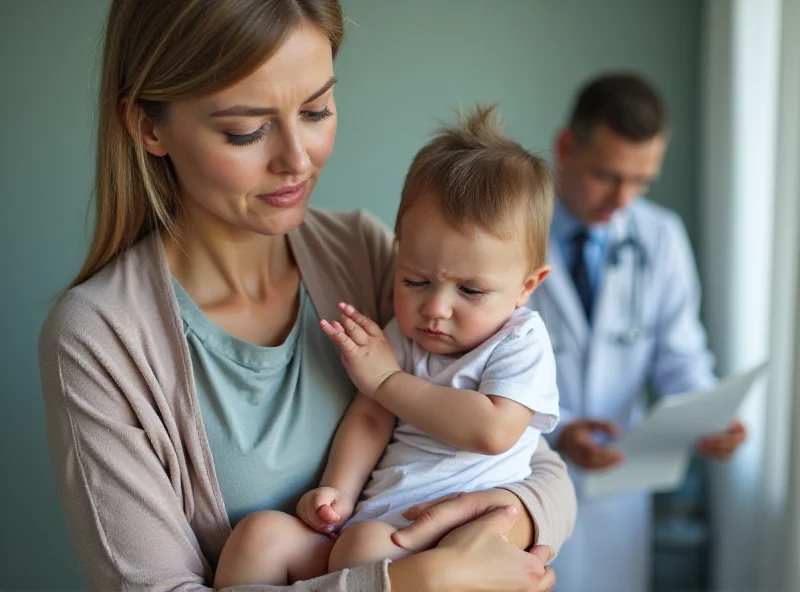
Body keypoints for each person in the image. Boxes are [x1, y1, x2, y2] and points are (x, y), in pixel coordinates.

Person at [37, 1, 576, 590]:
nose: (298, 160)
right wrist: (414, 581)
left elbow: (537, 465)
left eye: (317, 109)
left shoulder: (365, 254)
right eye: (247, 130)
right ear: (149, 127)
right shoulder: (102, 338)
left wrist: (507, 524)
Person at [213, 107, 561, 587]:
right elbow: (370, 416)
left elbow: (494, 430)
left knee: (361, 549)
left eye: (471, 291)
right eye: (415, 279)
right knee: (261, 535)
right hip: (376, 522)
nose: (435, 308)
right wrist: (338, 490)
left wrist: (389, 381)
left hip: (450, 536)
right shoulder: (405, 331)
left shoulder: (520, 341)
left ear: (527, 285)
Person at [526, 72, 748, 592]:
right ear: (565, 147)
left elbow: (681, 358)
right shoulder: (511, 226)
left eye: (641, 181)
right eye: (608, 175)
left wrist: (708, 413)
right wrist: (562, 430)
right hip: (524, 476)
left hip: (618, 490)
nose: (622, 199)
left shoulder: (660, 237)